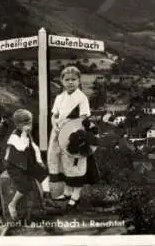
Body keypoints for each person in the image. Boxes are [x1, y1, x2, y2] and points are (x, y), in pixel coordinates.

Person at [47, 66, 99, 210]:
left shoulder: (81, 98)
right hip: (58, 133)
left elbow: (82, 118)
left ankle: (76, 194)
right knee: (62, 162)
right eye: (67, 79)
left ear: (78, 81)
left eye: (74, 80)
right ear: (62, 81)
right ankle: (67, 191)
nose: (70, 82)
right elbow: (54, 115)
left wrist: (67, 124)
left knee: (75, 162)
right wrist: (55, 125)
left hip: (75, 133)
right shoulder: (59, 97)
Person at [4, 109, 48, 220]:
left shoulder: (28, 135)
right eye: (26, 124)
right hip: (15, 166)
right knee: (25, 186)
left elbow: (35, 148)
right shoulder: (14, 136)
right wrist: (24, 133)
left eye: (30, 123)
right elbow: (21, 147)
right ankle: (12, 204)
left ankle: (45, 198)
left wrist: (39, 161)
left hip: (27, 163)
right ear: (18, 125)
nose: (30, 126)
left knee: (44, 174)